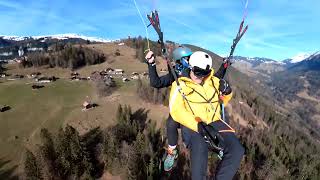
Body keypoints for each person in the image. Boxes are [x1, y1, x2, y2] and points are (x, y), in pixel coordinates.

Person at [145, 46, 231, 171]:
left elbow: (213, 79)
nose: (190, 61)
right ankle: (172, 151)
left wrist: (224, 67)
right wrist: (151, 63)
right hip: (184, 110)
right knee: (171, 122)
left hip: (198, 106)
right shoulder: (176, 74)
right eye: (187, 59)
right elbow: (156, 83)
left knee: (212, 118)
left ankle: (218, 144)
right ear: (181, 61)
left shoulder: (196, 71)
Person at [169, 51, 244, 180]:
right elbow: (176, 110)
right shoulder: (180, 85)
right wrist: (197, 126)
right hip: (193, 123)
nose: (201, 77)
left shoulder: (214, 81)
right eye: (198, 72)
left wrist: (227, 92)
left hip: (214, 120)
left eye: (205, 73)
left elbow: (222, 101)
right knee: (200, 148)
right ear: (190, 67)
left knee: (236, 150)